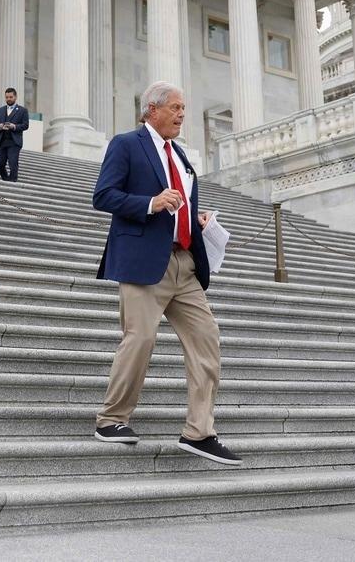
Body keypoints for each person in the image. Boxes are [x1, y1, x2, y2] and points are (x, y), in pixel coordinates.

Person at [91, 81, 240, 465]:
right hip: (144, 262)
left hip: (184, 263)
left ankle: (199, 431)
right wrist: (151, 203)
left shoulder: (181, 156)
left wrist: (197, 218)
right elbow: (103, 195)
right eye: (174, 107)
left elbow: (182, 203)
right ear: (151, 110)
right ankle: (111, 419)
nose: (181, 114)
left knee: (207, 339)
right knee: (139, 339)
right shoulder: (127, 144)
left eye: (183, 108)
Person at [0, 87, 29, 181]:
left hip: (14, 141)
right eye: (7, 97)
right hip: (2, 141)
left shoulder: (22, 110)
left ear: (15, 97)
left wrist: (14, 126)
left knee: (13, 163)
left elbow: (25, 125)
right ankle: (6, 179)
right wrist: (0, 127)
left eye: (11, 97)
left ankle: (12, 182)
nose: (8, 99)